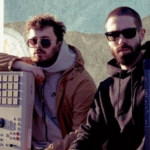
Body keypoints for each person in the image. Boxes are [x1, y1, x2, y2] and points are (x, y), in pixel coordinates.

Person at [0, 14, 96, 150]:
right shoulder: (28, 66)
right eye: (33, 41)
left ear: (58, 45)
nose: (38, 46)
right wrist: (20, 65)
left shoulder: (81, 82)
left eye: (45, 42)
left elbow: (81, 133)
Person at [69, 6, 150, 150]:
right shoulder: (106, 88)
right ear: (107, 39)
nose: (121, 40)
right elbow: (90, 134)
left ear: (142, 34)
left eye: (129, 33)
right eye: (114, 35)